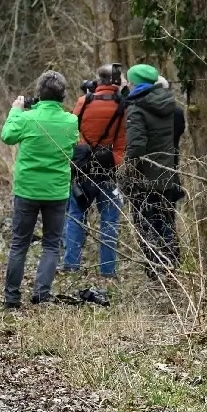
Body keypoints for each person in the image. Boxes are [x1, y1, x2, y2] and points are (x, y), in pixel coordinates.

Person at [0, 71, 79, 307]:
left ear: (38, 94)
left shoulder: (27, 118)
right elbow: (73, 146)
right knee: (52, 244)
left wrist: (16, 109)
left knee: (19, 243)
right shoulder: (71, 120)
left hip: (27, 189)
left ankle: (12, 298)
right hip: (56, 191)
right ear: (63, 96)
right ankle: (41, 294)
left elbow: (6, 136)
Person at [62, 64, 127, 279]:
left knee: (76, 216)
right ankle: (108, 270)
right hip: (109, 169)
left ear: (98, 80)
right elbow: (122, 142)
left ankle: (71, 264)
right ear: (116, 81)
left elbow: (72, 130)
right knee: (109, 221)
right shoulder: (122, 105)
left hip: (83, 168)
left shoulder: (85, 101)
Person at [122, 64, 181, 277]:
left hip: (145, 178)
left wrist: (126, 171)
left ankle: (155, 271)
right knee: (167, 222)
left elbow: (136, 147)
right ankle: (173, 266)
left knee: (146, 225)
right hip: (168, 174)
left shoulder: (137, 108)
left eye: (129, 80)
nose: (127, 84)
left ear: (135, 83)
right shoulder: (170, 105)